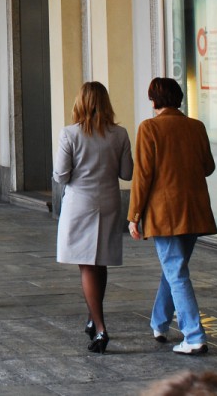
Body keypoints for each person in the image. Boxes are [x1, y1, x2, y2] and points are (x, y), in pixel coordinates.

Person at [128, 77, 217, 355]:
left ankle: (193, 335)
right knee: (174, 269)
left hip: (164, 212)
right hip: (194, 209)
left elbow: (142, 176)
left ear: (154, 100)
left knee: (176, 271)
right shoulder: (196, 127)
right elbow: (209, 167)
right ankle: (160, 322)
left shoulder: (149, 128)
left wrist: (134, 215)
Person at [53, 82, 133, 353]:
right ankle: (91, 317)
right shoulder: (119, 134)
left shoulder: (70, 134)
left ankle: (100, 327)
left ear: (81, 102)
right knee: (101, 262)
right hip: (109, 201)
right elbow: (127, 173)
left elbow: (61, 175)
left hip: (80, 203)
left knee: (86, 264)